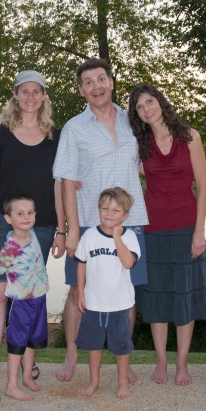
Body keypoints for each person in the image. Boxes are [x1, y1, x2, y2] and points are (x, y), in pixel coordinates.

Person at [53, 57, 148, 384]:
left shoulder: (133, 120)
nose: (96, 86)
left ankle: (124, 357)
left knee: (128, 290)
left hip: (129, 221)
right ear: (82, 91)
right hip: (89, 224)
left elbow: (145, 162)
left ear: (111, 82)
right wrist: (70, 229)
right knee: (77, 289)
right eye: (88, 82)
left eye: (101, 79)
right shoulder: (74, 128)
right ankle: (71, 354)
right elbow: (66, 179)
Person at [0, 70, 66, 405]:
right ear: (15, 95)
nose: (30, 96)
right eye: (24, 91)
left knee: (29, 298)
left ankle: (25, 365)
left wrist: (61, 229)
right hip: (2, 225)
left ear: (44, 96)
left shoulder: (55, 137)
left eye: (36, 91)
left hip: (42, 228)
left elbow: (59, 186)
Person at [128, 84, 206, 386]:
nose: (145, 108)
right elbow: (119, 170)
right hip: (151, 230)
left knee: (184, 298)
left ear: (160, 102)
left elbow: (203, 187)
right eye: (139, 106)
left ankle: (182, 364)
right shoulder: (141, 144)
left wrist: (199, 232)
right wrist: (79, 183)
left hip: (186, 228)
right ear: (136, 114)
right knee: (157, 298)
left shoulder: (190, 137)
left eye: (149, 101)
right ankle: (161, 360)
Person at [0, 195, 49, 403]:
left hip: (38, 297)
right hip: (20, 302)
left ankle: (27, 375)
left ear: (35, 215)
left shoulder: (33, 233)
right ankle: (11, 385)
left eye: (30, 213)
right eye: (20, 214)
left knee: (31, 340)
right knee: (18, 343)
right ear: (8, 219)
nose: (26, 217)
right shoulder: (11, 246)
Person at [75, 187, 141, 399]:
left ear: (125, 215)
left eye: (115, 210)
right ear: (98, 210)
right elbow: (81, 264)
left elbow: (128, 262)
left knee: (121, 348)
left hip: (119, 304)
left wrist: (116, 237)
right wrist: (81, 292)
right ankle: (94, 381)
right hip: (93, 303)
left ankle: (122, 383)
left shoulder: (129, 237)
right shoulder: (89, 235)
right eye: (105, 208)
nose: (109, 213)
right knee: (93, 347)